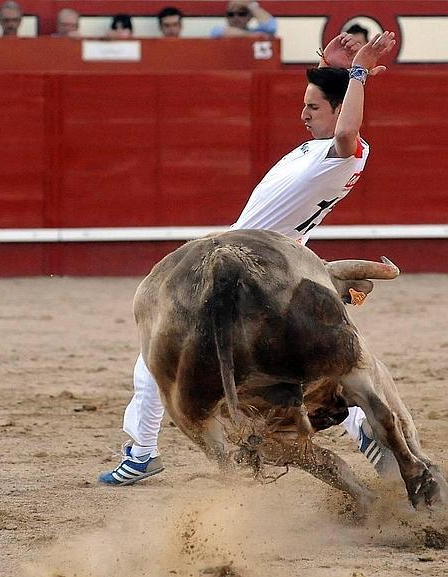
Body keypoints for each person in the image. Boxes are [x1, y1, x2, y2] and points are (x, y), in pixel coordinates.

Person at [99, 31, 397, 486]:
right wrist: (334, 69)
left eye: (313, 108)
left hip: (250, 271)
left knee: (154, 360)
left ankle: (142, 451)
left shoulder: (341, 153)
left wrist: (355, 74)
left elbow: (347, 129)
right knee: (328, 362)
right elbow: (339, 120)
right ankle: (367, 430)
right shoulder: (324, 152)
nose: (302, 115)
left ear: (337, 111)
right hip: (278, 259)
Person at [211, 0, 276, 38]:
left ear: (250, 16)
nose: (235, 17)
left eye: (241, 14)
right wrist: (252, 36)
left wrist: (249, 4)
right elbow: (218, 31)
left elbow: (271, 26)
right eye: (230, 14)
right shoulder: (219, 31)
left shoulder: (257, 32)